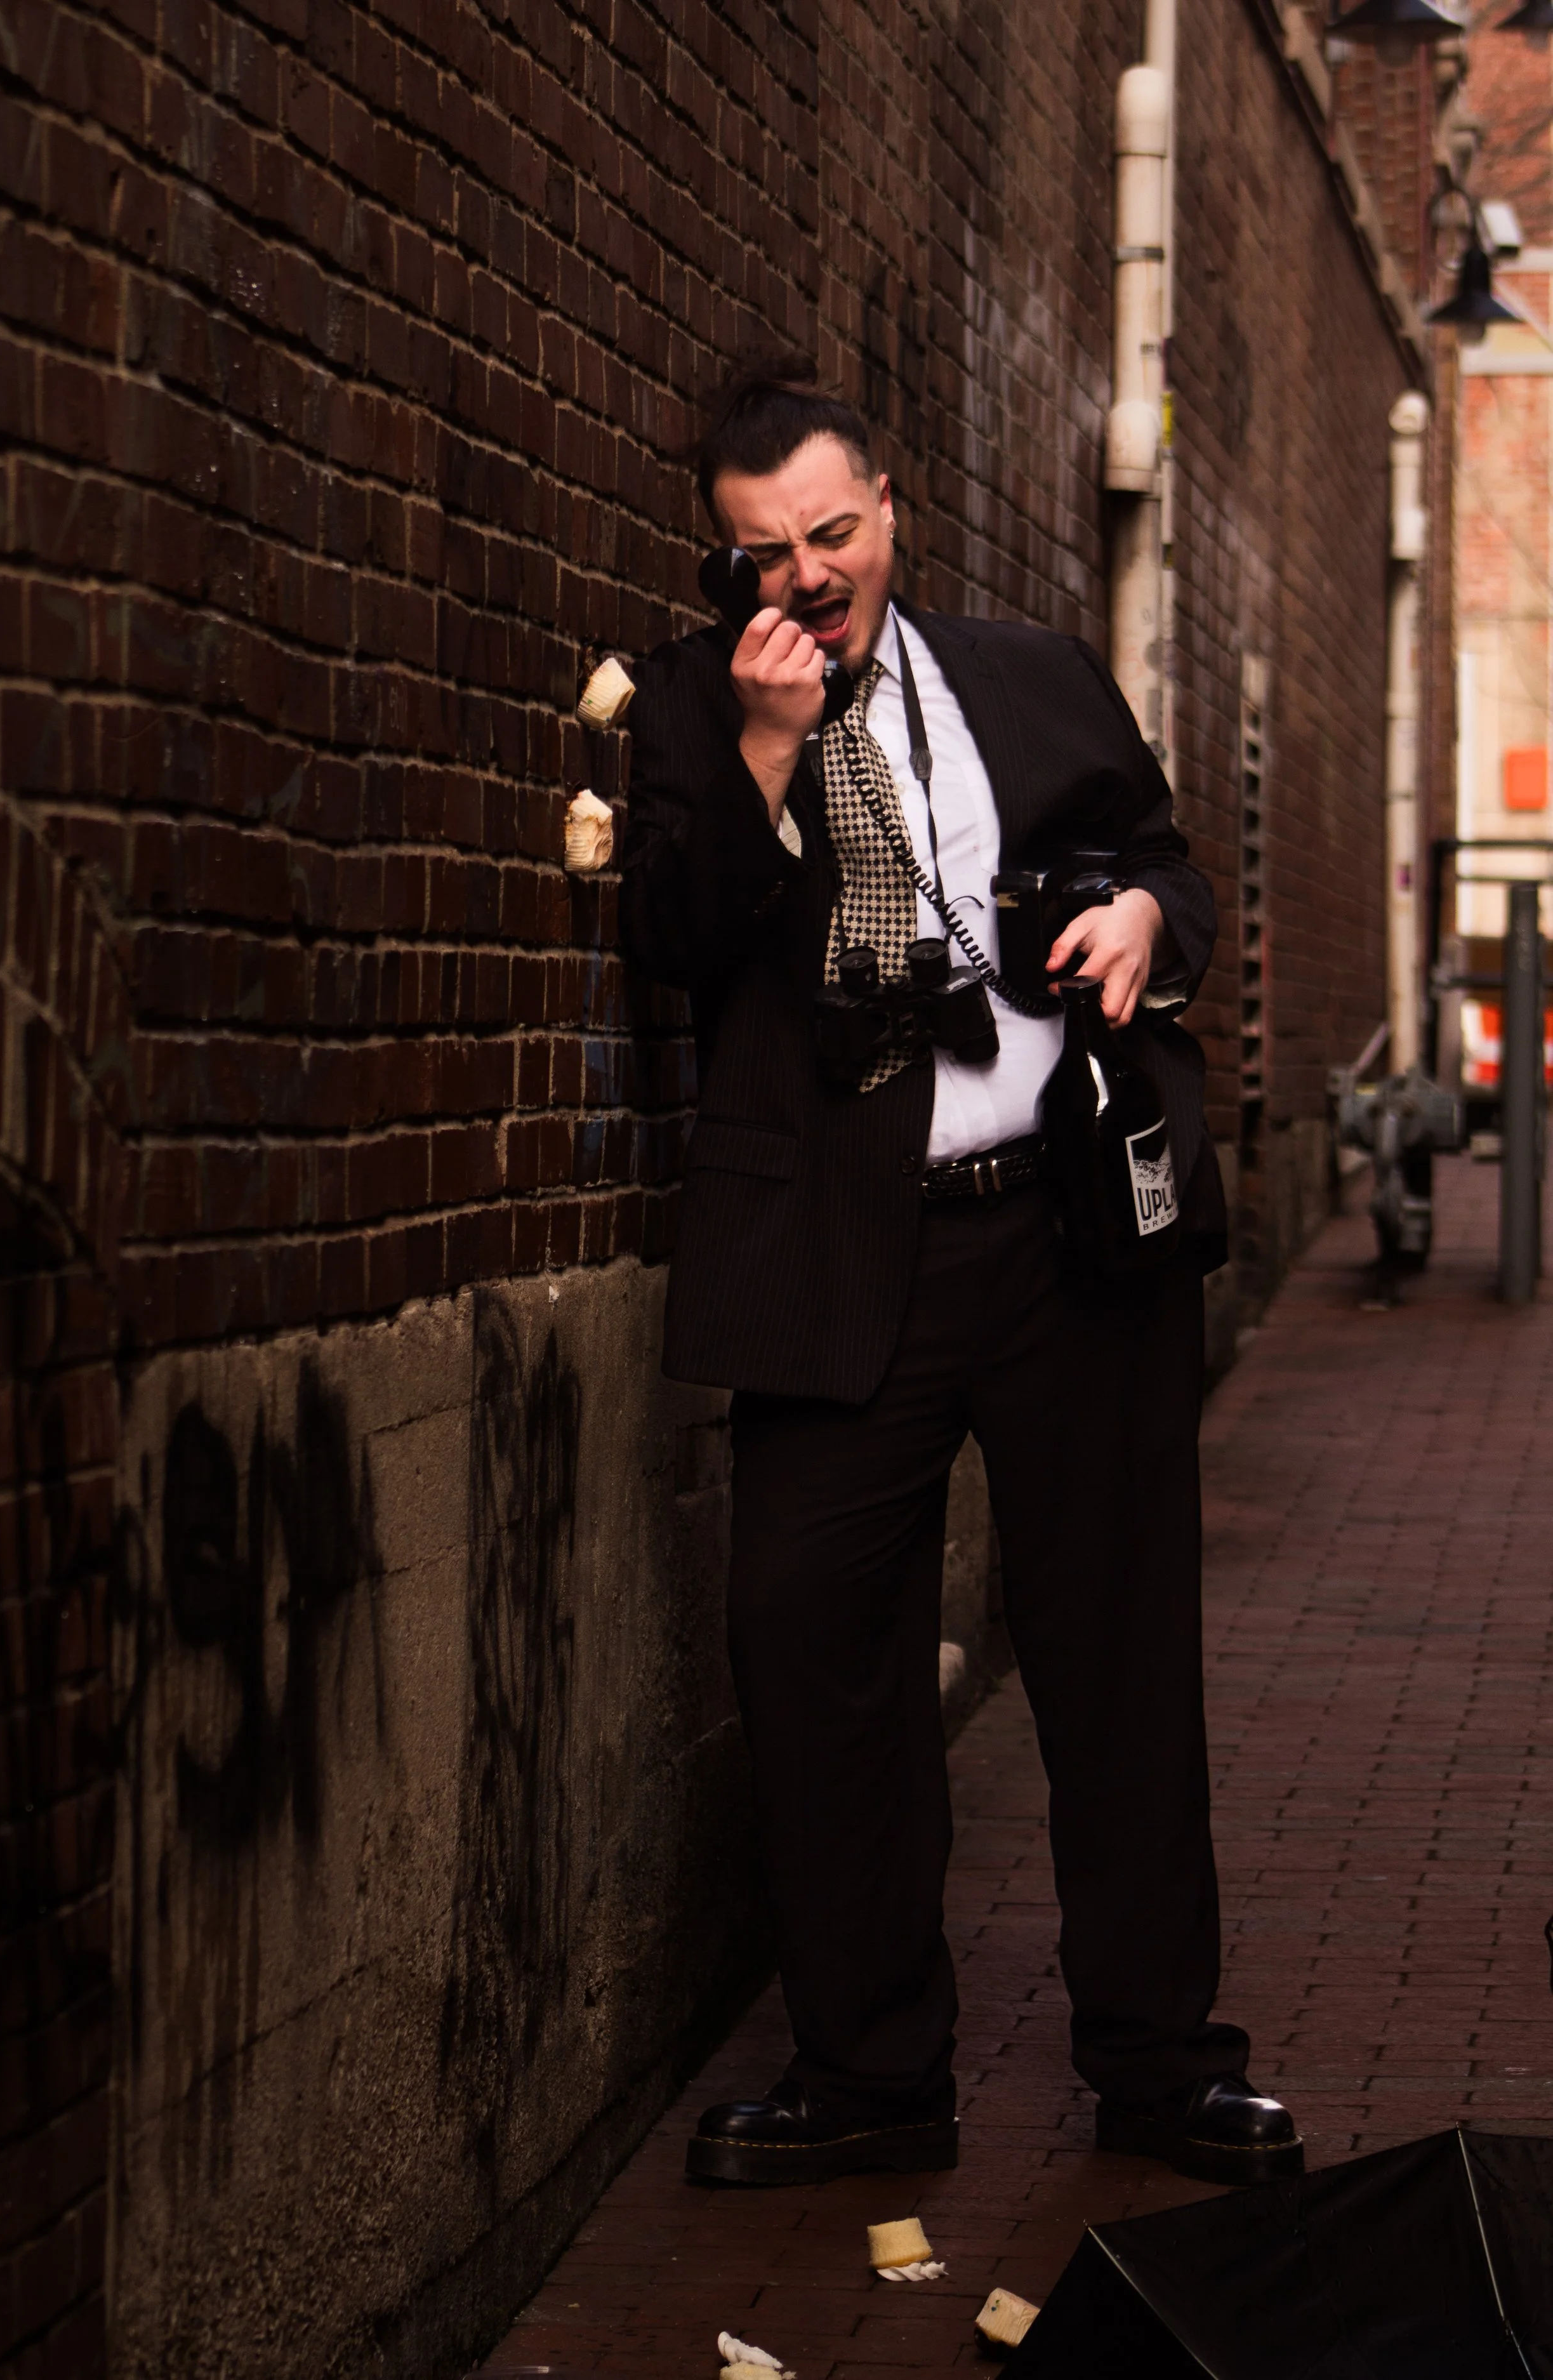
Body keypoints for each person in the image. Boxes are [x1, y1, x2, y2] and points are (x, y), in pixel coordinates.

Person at [621, 359, 1300, 2192]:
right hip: (843, 1262)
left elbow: (1167, 862)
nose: (805, 576)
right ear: (723, 559)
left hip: (1067, 1244)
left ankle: (1162, 2065)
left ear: (888, 507)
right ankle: (867, 2074)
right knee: (809, 1647)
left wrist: (1144, 917)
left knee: (1117, 1655)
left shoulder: (1028, 675)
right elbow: (676, 944)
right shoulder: (695, 710)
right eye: (761, 553)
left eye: (830, 534)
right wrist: (768, 758)